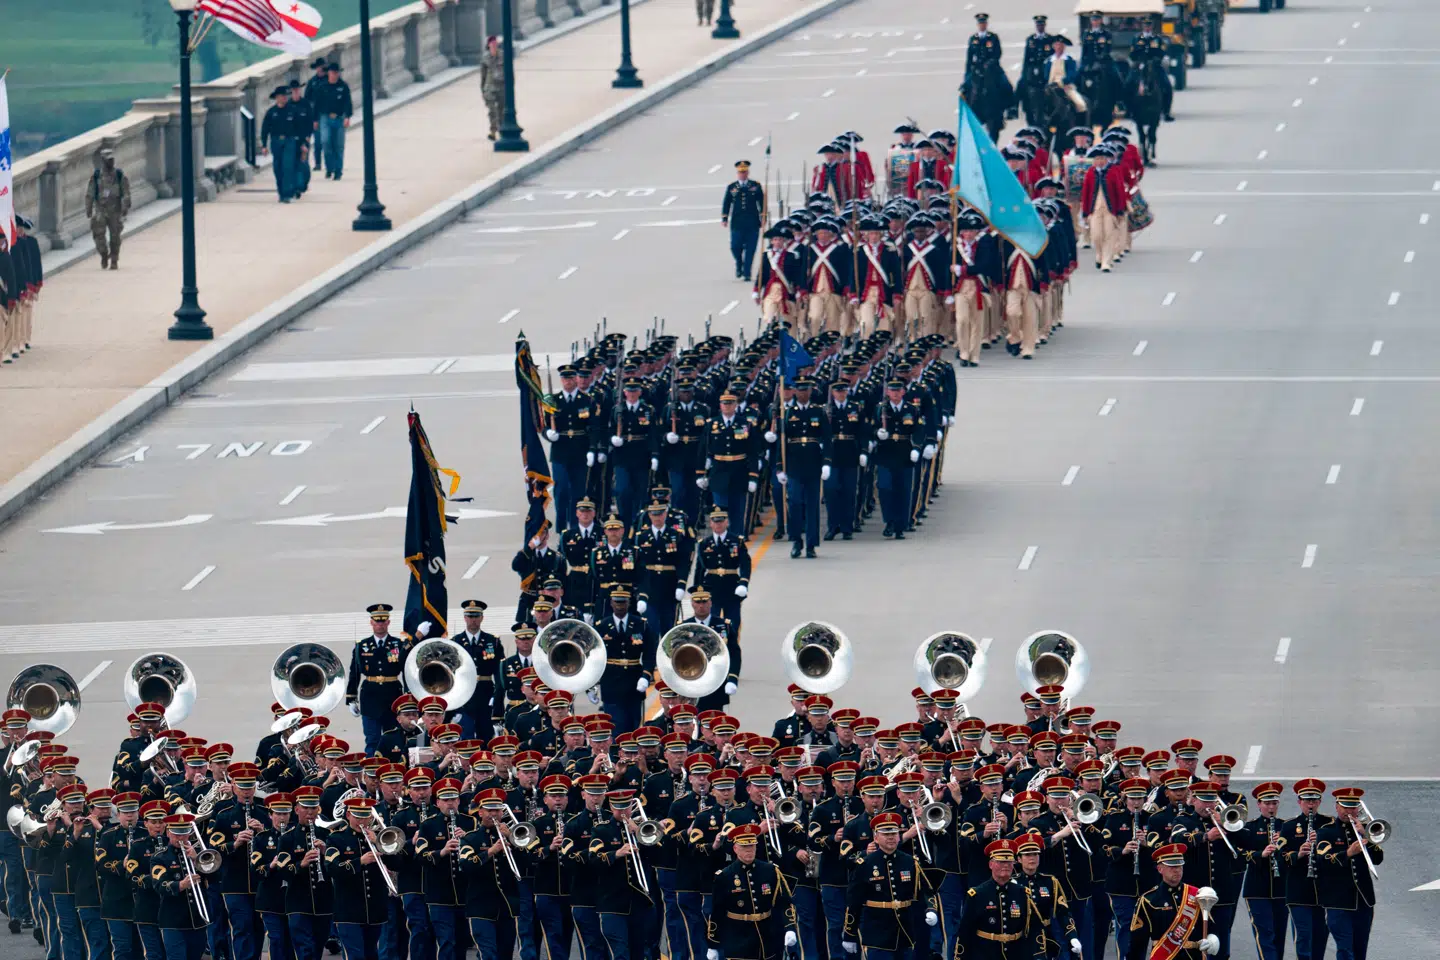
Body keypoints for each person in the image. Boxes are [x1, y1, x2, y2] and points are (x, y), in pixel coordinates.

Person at [706, 823, 793, 960]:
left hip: (767, 938)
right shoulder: (725, 876)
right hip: (738, 939)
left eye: (751, 846)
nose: (749, 850)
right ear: (735, 848)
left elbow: (784, 901)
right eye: (744, 846)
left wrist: (790, 927)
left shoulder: (770, 871)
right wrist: (713, 944)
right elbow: (717, 912)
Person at [1316, 787, 1381, 960]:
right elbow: (1323, 860)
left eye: (1353, 807)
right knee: (1345, 950)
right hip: (1338, 902)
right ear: (1337, 807)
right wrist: (1348, 853)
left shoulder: (1364, 829)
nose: (1349, 811)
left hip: (1363, 900)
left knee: (1360, 951)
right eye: (1345, 807)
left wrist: (1365, 834)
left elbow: (1378, 858)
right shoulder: (1326, 831)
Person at [1125, 843, 1219, 959]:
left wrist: (1211, 940)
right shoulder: (1149, 900)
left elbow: (1210, 926)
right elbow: (1137, 942)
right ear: (1160, 869)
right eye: (1172, 867)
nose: (1177, 870)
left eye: (1180, 866)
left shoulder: (1196, 894)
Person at [344, 604, 413, 755]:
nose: (380, 624)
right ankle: (371, 773)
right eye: (377, 621)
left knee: (394, 739)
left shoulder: (398, 644)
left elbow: (407, 671)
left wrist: (408, 696)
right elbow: (354, 673)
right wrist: (351, 698)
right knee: (372, 740)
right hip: (370, 697)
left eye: (383, 621)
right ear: (371, 622)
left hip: (392, 696)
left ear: (388, 622)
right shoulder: (362, 646)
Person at [85, 149, 130, 269]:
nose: (111, 162)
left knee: (115, 237)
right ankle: (104, 254)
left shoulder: (119, 175)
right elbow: (90, 193)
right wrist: (88, 209)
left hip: (115, 210)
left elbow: (126, 192)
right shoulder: (96, 176)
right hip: (101, 210)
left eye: (112, 159)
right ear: (103, 160)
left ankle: (114, 259)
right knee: (99, 235)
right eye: (108, 160)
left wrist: (125, 206)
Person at [721, 161, 766, 281]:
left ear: (748, 172)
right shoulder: (732, 187)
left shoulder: (755, 186)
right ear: (737, 173)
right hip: (737, 222)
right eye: (740, 172)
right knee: (735, 246)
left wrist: (763, 217)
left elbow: (762, 202)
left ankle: (747, 272)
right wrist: (724, 218)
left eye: (744, 172)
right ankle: (739, 263)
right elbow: (726, 203)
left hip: (752, 222)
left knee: (751, 248)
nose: (742, 174)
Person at [314, 63, 353, 180]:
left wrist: (347, 117)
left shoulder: (343, 86)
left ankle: (338, 170)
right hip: (325, 118)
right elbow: (317, 105)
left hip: (339, 118)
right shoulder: (322, 87)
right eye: (332, 73)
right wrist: (315, 120)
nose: (334, 75)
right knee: (325, 142)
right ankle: (329, 167)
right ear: (329, 73)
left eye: (336, 73)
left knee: (338, 145)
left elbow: (348, 103)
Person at [260, 87, 298, 203]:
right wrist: (264, 145)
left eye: (285, 96)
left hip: (289, 141)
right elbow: (265, 129)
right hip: (276, 141)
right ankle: (281, 192)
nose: (284, 98)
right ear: (276, 98)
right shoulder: (271, 112)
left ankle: (287, 193)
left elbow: (298, 128)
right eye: (282, 96)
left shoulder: (292, 110)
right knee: (278, 167)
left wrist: (302, 143)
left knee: (287, 166)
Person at [480, 37, 505, 141]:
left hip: (501, 87)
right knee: (492, 110)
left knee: (501, 111)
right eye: (492, 45)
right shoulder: (486, 57)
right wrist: (482, 90)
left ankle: (502, 129)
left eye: (496, 44)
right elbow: (483, 74)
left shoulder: (503, 55)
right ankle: (493, 131)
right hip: (489, 87)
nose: (494, 47)